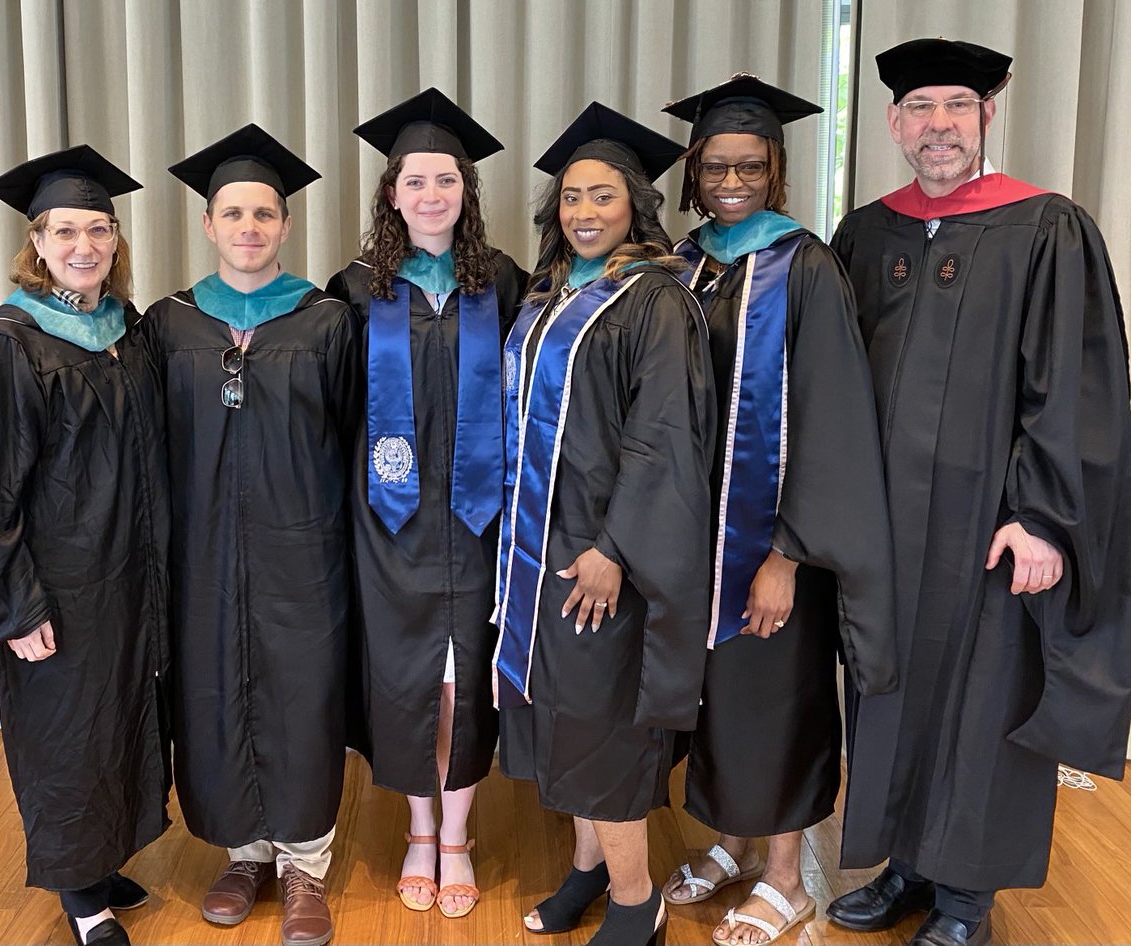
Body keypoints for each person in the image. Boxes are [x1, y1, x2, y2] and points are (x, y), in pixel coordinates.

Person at [827, 39, 1131, 946]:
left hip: (989, 526)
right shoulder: (865, 233)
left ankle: (966, 897)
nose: (939, 126)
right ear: (892, 123)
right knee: (889, 688)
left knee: (985, 694)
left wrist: (1040, 517)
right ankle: (906, 864)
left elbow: (1075, 392)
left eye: (958, 106)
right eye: (920, 109)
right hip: (885, 523)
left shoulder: (1046, 227)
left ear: (986, 116)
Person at [656, 75, 897, 946]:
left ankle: (788, 877)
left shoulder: (807, 266)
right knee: (722, 697)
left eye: (749, 166)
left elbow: (832, 422)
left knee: (780, 696)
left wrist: (786, 554)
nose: (731, 180)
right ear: (692, 170)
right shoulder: (685, 263)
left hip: (770, 543)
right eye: (716, 165)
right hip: (695, 540)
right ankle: (732, 844)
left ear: (776, 171)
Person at [0, 147, 170, 946]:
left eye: (98, 228)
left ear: (114, 239)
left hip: (127, 575)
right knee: (65, 732)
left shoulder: (126, 332)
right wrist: (14, 599)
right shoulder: (9, 345)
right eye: (64, 230)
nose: (84, 245)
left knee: (118, 718)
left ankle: (98, 862)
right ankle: (80, 897)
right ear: (36, 241)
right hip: (57, 585)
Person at [493, 102, 716, 946]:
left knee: (602, 726)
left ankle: (636, 901)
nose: (584, 211)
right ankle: (590, 868)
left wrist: (614, 548)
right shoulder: (555, 293)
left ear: (635, 206)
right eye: (572, 198)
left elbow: (663, 437)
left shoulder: (654, 300)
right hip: (541, 547)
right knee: (563, 715)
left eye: (603, 196)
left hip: (601, 553)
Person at [143, 125, 361, 946]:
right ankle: (245, 852)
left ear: (285, 225)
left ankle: (306, 864)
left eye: (264, 213)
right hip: (201, 552)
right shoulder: (168, 324)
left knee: (302, 698)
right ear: (207, 224)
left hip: (304, 550)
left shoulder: (326, 320)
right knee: (213, 691)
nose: (248, 227)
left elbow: (350, 435)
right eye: (232, 212)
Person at [326, 88, 526, 920]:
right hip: (390, 522)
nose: (432, 195)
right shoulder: (352, 288)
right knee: (408, 674)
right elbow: (334, 411)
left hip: (482, 522)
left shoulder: (506, 281)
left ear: (467, 193)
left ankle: (457, 835)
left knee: (462, 680)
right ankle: (418, 828)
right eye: (416, 181)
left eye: (447, 179)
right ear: (391, 194)